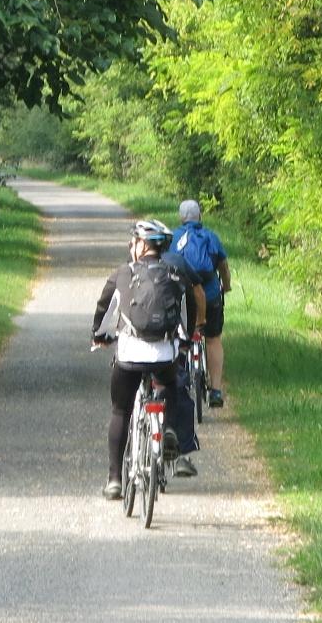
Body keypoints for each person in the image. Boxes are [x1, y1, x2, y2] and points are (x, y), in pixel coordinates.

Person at [91, 218, 205, 499]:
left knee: (120, 411)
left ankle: (115, 480)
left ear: (141, 246)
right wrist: (185, 339)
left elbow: (104, 309)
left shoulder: (122, 273)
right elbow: (189, 309)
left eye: (134, 241)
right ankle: (166, 429)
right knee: (168, 386)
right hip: (164, 354)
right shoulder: (176, 274)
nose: (132, 245)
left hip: (130, 355)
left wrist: (99, 336)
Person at [169, 199, 232, 407]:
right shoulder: (211, 237)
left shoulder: (173, 237)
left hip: (183, 296)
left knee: (177, 337)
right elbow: (223, 265)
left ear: (181, 217)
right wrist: (226, 285)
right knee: (213, 339)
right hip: (211, 293)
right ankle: (215, 390)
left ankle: (178, 382)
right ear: (200, 216)